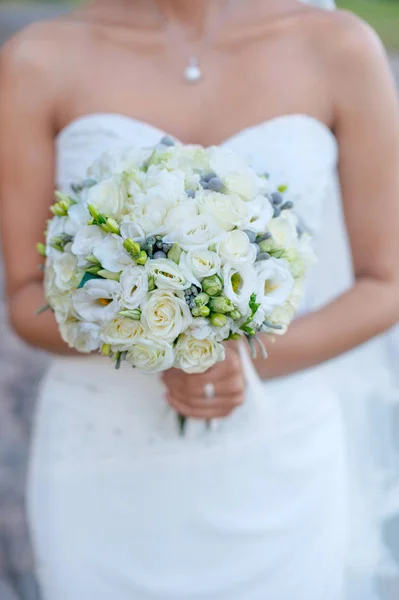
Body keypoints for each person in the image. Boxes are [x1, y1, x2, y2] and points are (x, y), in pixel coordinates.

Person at [1, 0, 399, 598]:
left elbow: (386, 282)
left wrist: (234, 359)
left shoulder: (339, 47)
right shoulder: (40, 57)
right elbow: (25, 299)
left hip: (279, 455)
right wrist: (153, 345)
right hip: (103, 463)